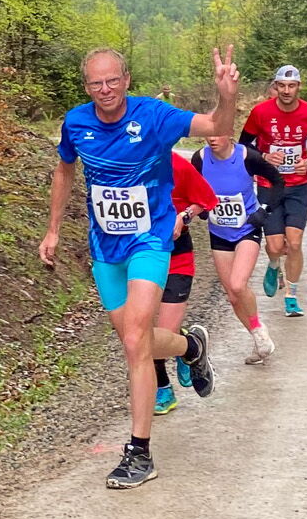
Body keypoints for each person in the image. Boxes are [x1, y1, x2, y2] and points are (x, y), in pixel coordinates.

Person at [41, 45, 241, 489]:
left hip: (150, 241)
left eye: (113, 80)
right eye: (96, 83)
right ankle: (190, 347)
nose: (105, 89)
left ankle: (139, 452)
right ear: (86, 87)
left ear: (127, 80)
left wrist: (226, 97)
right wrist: (53, 229)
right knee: (138, 342)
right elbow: (64, 170)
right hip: (104, 247)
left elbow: (216, 126)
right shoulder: (76, 122)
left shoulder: (153, 115)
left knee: (135, 340)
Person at [241, 64, 307, 318]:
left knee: (295, 241)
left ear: (299, 87)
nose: (287, 91)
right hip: (269, 185)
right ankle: (273, 264)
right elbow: (243, 145)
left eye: (291, 86)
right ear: (275, 87)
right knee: (275, 245)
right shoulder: (260, 112)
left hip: (299, 186)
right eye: (282, 86)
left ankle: (291, 297)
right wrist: (264, 156)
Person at [189, 135, 283, 363]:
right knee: (232, 296)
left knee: (238, 284)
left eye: (217, 133)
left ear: (228, 132)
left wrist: (264, 210)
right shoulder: (199, 158)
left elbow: (278, 182)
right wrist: (202, 207)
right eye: (209, 134)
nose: (212, 139)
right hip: (219, 233)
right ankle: (259, 339)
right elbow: (193, 189)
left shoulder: (247, 156)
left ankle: (259, 331)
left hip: (247, 229)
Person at [152, 151, 219, 414]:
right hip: (134, 257)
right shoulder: (121, 163)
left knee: (161, 338)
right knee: (141, 331)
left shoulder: (176, 164)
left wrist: (184, 216)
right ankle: (164, 388)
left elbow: (206, 199)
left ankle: (187, 346)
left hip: (176, 257)